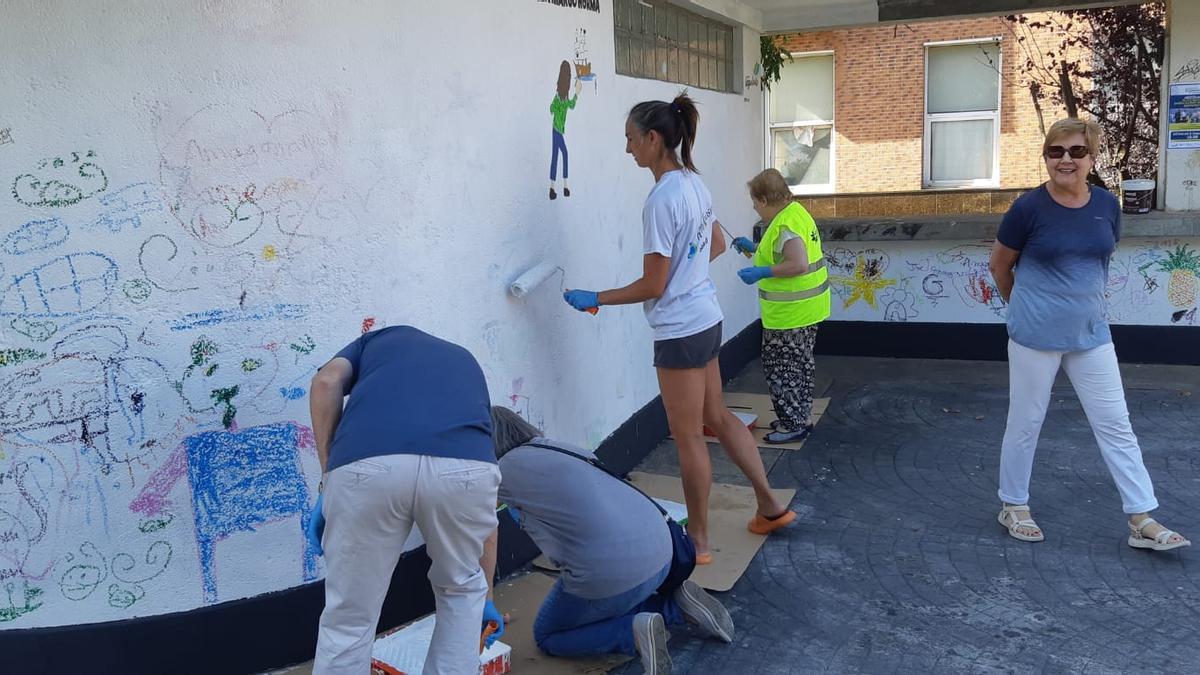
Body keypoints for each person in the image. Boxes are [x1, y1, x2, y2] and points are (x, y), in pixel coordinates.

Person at [562, 91, 795, 564]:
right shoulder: (694, 183)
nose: (627, 149)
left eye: (631, 139)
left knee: (688, 436)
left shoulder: (660, 200)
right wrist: (687, 276)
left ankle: (700, 543)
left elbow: (653, 284)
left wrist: (597, 298)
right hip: (706, 318)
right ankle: (770, 505)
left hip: (680, 330)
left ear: (653, 139)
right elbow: (715, 245)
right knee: (719, 416)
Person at [988, 117, 1190, 551]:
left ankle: (1141, 518)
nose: (1066, 160)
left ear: (1092, 158)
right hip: (1034, 338)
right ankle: (1014, 505)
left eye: (1077, 151)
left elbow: (1102, 259)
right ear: (1046, 157)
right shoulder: (1027, 209)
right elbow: (1000, 266)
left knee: (1116, 424)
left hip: (1092, 335)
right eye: (1056, 151)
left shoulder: (1106, 205)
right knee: (1025, 423)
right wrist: (1023, 309)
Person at [305, 326, 506, 674]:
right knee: (461, 595)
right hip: (466, 471)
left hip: (368, 466)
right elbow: (487, 525)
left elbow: (326, 382)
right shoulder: (465, 359)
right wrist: (485, 594)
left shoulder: (371, 342)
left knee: (350, 616)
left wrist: (329, 479)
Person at [489, 406, 734, 675]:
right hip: (664, 551)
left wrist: (483, 602)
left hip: (613, 573)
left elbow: (472, 524)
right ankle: (676, 605)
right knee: (601, 601)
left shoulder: (501, 471)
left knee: (549, 635)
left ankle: (632, 632)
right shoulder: (557, 448)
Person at [731, 168, 830, 444]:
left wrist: (761, 273)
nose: (753, 207)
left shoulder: (785, 224)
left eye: (754, 201)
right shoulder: (795, 213)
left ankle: (792, 425)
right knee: (800, 366)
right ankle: (798, 417)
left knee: (782, 369)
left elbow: (798, 264)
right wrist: (754, 247)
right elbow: (782, 250)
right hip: (807, 310)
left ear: (763, 200)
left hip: (790, 315)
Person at [549, 59, 582, 200]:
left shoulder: (564, 97)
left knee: (556, 156)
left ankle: (553, 188)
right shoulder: (558, 97)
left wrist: (577, 93)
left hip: (558, 130)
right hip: (557, 130)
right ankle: (565, 186)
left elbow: (571, 105)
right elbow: (552, 109)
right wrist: (558, 109)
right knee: (564, 154)